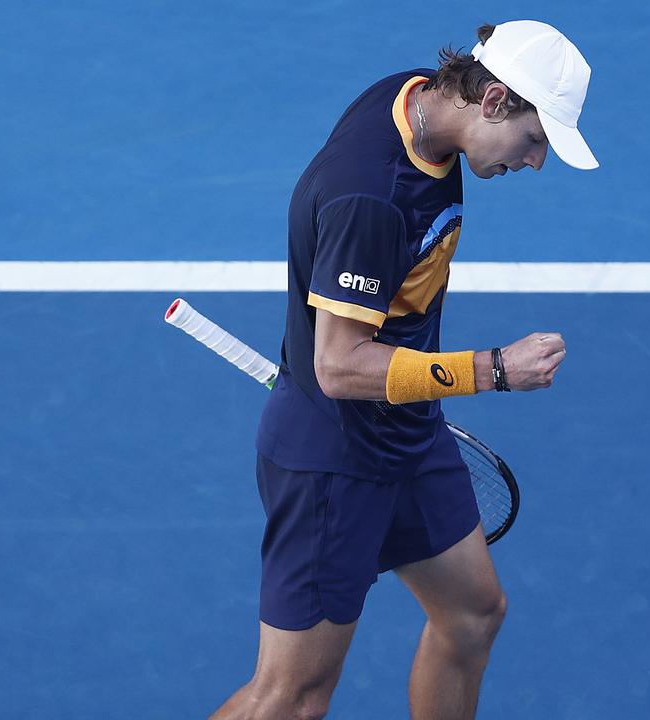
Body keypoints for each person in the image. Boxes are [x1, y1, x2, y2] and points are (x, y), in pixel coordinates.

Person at [210, 20, 598, 720]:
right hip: (335, 460)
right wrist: (494, 370)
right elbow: (338, 365)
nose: (535, 162)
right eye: (534, 139)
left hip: (407, 433)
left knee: (473, 615)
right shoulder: (373, 195)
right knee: (291, 699)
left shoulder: (413, 98)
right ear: (494, 101)